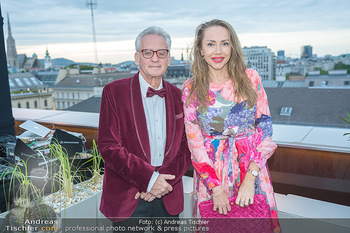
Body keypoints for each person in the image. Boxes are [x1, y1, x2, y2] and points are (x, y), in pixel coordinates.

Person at [182, 19, 282, 232]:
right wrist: (216, 189)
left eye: (224, 43)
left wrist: (250, 178)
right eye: (210, 44)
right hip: (212, 179)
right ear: (200, 50)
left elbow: (265, 129)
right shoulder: (190, 89)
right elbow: (195, 144)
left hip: (252, 170)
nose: (218, 51)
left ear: (232, 47)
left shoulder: (250, 78)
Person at [98, 26, 191, 232]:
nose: (155, 58)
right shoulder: (113, 92)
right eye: (147, 52)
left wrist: (159, 183)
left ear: (169, 58)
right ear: (137, 57)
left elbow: (187, 146)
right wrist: (149, 180)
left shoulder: (180, 96)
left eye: (162, 53)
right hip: (129, 196)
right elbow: (108, 147)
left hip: (168, 192)